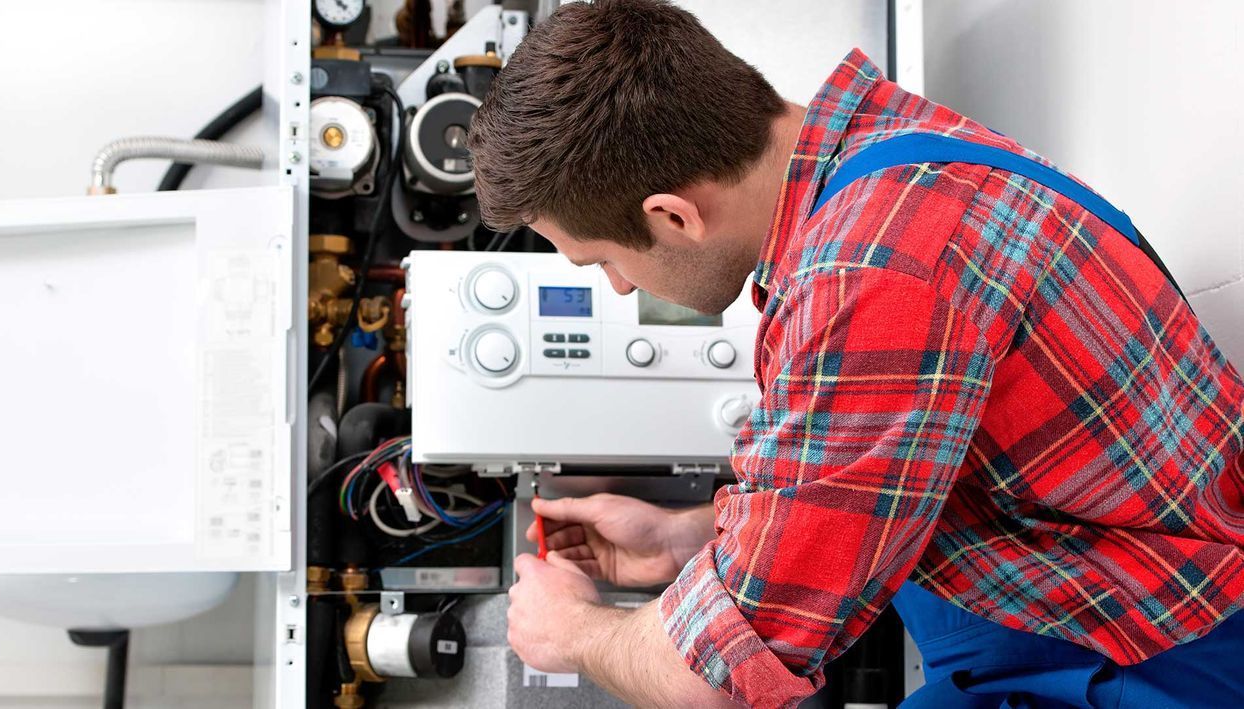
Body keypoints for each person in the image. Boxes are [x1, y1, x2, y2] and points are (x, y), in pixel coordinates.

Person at [466, 1, 1244, 706]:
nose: (617, 286)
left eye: (602, 259)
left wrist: (574, 631)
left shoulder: (870, 275)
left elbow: (717, 681)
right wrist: (687, 536)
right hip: (1084, 600)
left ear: (673, 216)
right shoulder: (884, 152)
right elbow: (872, 480)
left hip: (1159, 658)